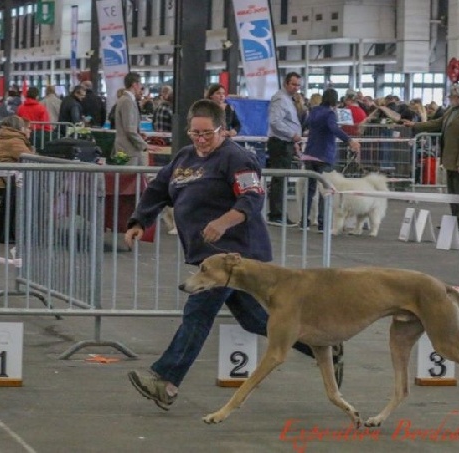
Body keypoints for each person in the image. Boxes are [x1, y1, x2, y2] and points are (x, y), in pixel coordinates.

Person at [125, 99, 343, 410]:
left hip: (236, 257)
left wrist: (224, 221)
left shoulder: (237, 159)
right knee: (257, 319)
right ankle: (323, 343)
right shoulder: (184, 158)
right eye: (194, 133)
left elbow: (252, 197)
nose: (200, 139)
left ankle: (165, 380)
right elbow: (158, 190)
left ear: (223, 130)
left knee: (198, 314)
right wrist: (139, 221)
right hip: (207, 255)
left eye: (207, 133)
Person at [403, 84, 459, 232]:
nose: (449, 99)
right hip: (450, 159)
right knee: (452, 192)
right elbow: (437, 123)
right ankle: (453, 219)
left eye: (452, 96)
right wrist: (415, 125)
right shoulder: (452, 110)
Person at [300, 88, 361, 231]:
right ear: (335, 100)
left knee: (309, 190)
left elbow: (305, 126)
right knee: (325, 190)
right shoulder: (330, 113)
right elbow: (334, 129)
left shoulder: (314, 111)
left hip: (309, 154)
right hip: (323, 155)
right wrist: (350, 140)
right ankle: (322, 223)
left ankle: (305, 221)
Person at [266, 71, 303, 226]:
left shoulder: (288, 99)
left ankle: (278, 212)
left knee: (281, 179)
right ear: (285, 83)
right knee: (279, 179)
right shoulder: (280, 99)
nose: (296, 88)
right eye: (293, 84)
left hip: (285, 143)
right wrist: (292, 134)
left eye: (298, 85)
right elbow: (275, 121)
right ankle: (276, 213)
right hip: (280, 143)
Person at [0, 116, 34, 243]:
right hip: (8, 183)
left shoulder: (6, 137)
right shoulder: (15, 140)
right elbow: (29, 158)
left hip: (2, 180)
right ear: (20, 127)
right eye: (28, 128)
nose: (30, 130)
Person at [114, 72, 147, 165]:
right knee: (130, 178)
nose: (141, 87)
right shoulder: (127, 101)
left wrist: (139, 133)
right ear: (135, 84)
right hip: (128, 150)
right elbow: (129, 129)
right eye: (140, 84)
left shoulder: (126, 100)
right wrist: (143, 145)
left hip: (126, 149)